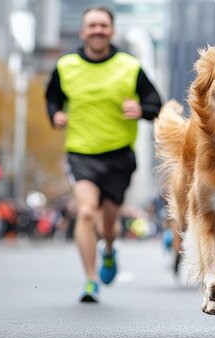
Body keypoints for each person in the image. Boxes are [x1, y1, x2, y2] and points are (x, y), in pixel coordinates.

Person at [45, 6, 162, 303]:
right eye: (92, 25)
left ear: (112, 31)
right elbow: (52, 98)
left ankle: (109, 250)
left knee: (108, 226)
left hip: (119, 156)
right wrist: (55, 114)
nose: (97, 30)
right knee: (85, 211)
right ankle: (90, 279)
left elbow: (155, 103)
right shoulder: (66, 66)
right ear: (83, 32)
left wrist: (142, 110)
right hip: (81, 153)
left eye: (103, 25)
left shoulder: (129, 66)